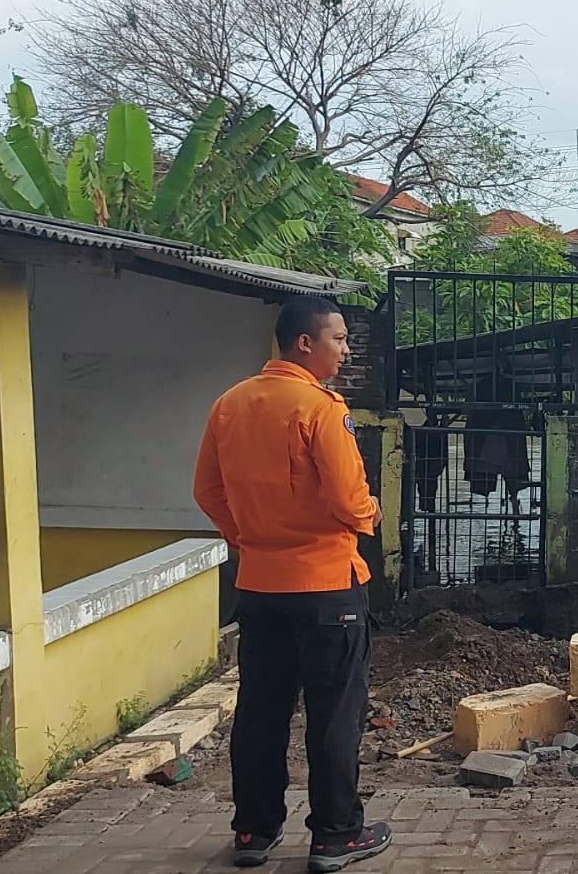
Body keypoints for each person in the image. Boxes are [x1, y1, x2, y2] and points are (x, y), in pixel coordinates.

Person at [193, 296, 392, 872]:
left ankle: (254, 832)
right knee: (334, 712)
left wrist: (246, 537)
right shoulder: (321, 408)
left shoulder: (230, 404)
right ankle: (335, 835)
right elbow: (350, 499)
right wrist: (370, 513)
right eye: (339, 338)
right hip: (328, 584)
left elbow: (207, 491)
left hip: (259, 584)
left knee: (260, 709)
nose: (347, 348)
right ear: (305, 343)